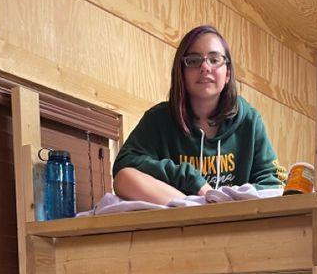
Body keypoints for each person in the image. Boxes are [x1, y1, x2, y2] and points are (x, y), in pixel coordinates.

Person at [112, 25, 284, 204]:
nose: (204, 67)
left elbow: (273, 184)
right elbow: (124, 165)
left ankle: (209, 209)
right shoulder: (159, 119)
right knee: (125, 178)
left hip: (234, 220)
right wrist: (190, 179)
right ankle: (196, 208)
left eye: (214, 59)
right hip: (181, 215)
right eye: (193, 60)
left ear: (228, 73)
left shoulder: (250, 120)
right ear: (182, 72)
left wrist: (227, 198)